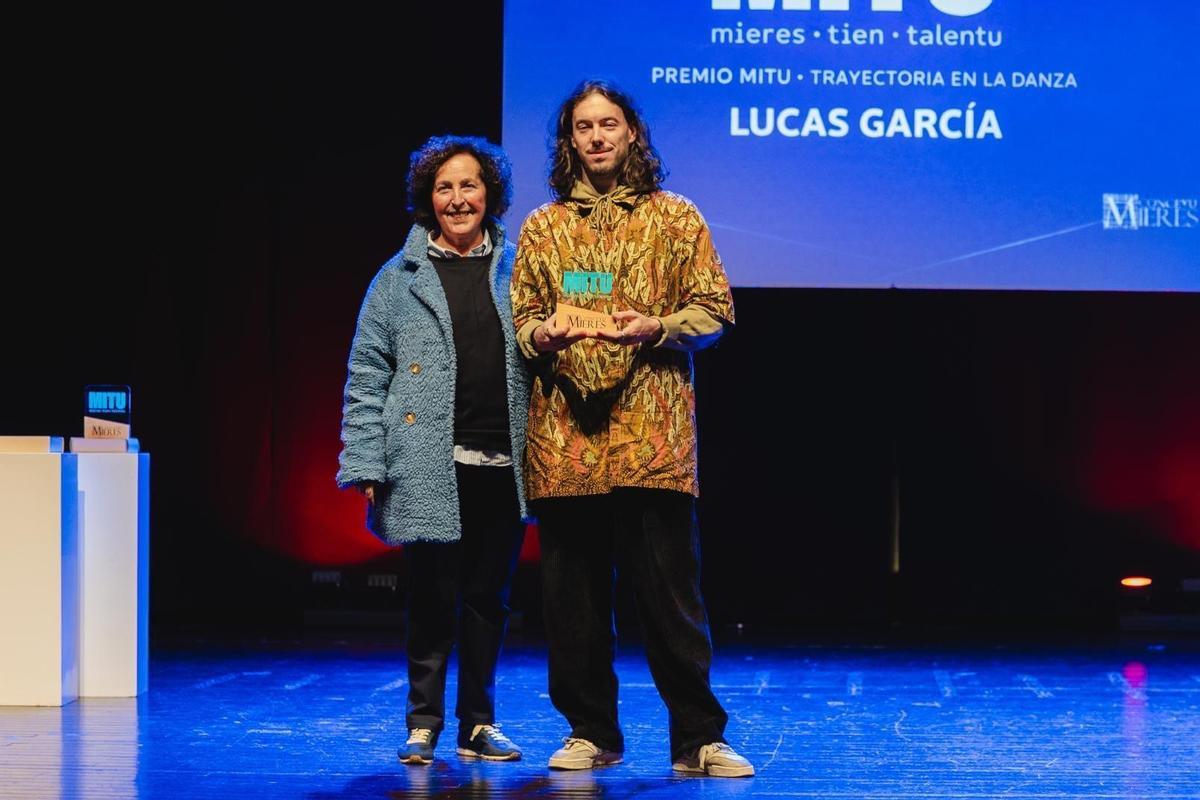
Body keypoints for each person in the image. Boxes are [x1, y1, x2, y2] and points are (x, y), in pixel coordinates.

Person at [510, 79, 755, 778]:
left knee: (670, 597)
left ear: (632, 135)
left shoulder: (675, 218)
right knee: (572, 599)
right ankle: (592, 732)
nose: (595, 137)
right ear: (569, 141)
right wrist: (543, 335)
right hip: (565, 437)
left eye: (608, 124)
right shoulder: (543, 227)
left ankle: (698, 740)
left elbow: (714, 310)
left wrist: (660, 326)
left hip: (652, 434)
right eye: (582, 127)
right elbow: (522, 319)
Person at [336, 134, 530, 766]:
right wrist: (365, 461)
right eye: (444, 187)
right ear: (428, 198)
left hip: (501, 462)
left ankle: (479, 723)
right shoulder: (396, 280)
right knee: (430, 597)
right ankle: (422, 721)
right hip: (426, 462)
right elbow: (367, 374)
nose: (457, 198)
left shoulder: (519, 269)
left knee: (487, 600)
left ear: (490, 194)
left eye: (469, 185)